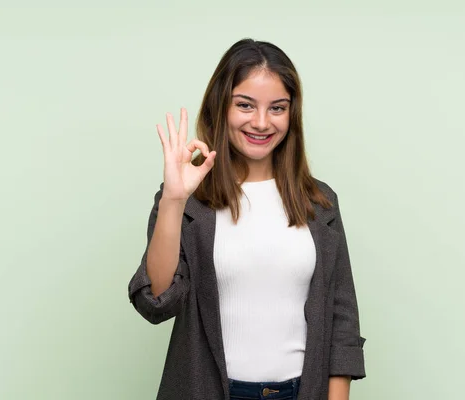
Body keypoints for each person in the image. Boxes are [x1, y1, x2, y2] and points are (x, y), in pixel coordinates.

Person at [127, 38, 366, 400]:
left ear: (292, 114)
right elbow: (157, 302)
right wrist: (174, 200)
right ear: (221, 106)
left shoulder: (320, 203)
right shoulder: (189, 199)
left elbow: (341, 321)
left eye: (277, 108)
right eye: (245, 105)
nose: (261, 122)